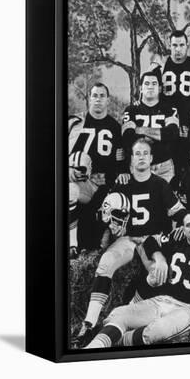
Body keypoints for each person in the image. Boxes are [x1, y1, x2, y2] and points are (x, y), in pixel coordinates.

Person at [77, 138, 185, 345]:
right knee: (106, 262)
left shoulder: (160, 184)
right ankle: (88, 324)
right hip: (129, 238)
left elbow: (178, 212)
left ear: (151, 158)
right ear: (131, 158)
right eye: (137, 153)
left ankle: (127, 318)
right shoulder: (122, 182)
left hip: (152, 239)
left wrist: (184, 224)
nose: (142, 157)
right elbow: (105, 214)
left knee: (158, 276)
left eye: (145, 153)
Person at [84, 210, 190, 348]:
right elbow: (149, 241)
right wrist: (159, 258)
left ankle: (115, 341)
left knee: (157, 331)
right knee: (120, 314)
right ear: (183, 229)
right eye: (189, 225)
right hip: (162, 300)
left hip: (188, 308)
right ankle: (92, 348)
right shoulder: (176, 239)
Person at [68, 83, 126, 254]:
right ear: (89, 98)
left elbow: (119, 160)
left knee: (109, 210)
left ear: (108, 100)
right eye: (94, 95)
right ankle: (72, 245)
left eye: (102, 96)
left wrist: (113, 178)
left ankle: (105, 242)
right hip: (82, 182)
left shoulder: (115, 127)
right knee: (70, 190)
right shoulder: (77, 124)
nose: (98, 99)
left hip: (104, 183)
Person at [122, 71, 179, 183]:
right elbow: (128, 137)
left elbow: (172, 134)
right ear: (141, 88)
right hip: (138, 165)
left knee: (165, 199)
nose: (150, 87)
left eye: (154, 84)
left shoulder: (169, 109)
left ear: (159, 88)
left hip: (164, 167)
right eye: (147, 83)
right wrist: (159, 135)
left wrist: (141, 130)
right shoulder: (131, 110)